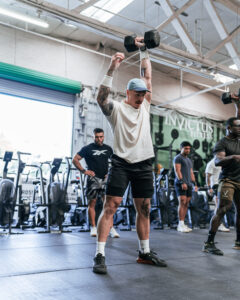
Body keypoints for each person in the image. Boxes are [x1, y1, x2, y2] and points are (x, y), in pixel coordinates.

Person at [92, 38, 167, 274]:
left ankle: (144, 252)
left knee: (144, 209)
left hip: (144, 163)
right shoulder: (116, 108)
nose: (142, 97)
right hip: (121, 163)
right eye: (138, 94)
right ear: (128, 92)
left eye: (145, 94)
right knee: (111, 206)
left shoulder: (145, 105)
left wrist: (144, 49)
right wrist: (113, 67)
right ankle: (100, 255)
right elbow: (101, 98)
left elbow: (148, 74)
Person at [72, 128, 120, 238]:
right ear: (93, 137)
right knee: (92, 203)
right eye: (97, 137)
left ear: (103, 136)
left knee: (109, 205)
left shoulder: (108, 149)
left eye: (101, 137)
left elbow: (114, 162)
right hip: (93, 179)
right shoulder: (87, 149)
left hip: (105, 179)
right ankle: (93, 227)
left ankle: (111, 228)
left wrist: (110, 173)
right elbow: (75, 159)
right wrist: (84, 171)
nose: (99, 139)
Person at [203, 117, 240, 255]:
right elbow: (218, 161)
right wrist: (233, 157)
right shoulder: (222, 143)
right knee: (223, 208)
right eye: (238, 126)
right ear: (229, 128)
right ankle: (208, 243)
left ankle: (238, 241)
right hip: (228, 180)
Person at [173, 141, 198, 233]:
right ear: (181, 148)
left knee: (187, 203)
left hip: (189, 184)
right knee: (182, 202)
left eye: (189, 149)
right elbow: (177, 170)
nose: (188, 150)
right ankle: (180, 224)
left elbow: (191, 172)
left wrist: (195, 183)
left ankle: (183, 223)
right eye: (186, 148)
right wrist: (182, 182)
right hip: (181, 183)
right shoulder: (178, 158)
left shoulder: (189, 160)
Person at [205, 158, 230, 232]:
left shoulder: (223, 162)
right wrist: (209, 188)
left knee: (222, 206)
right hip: (215, 186)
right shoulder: (211, 163)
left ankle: (218, 223)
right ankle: (219, 224)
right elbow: (207, 176)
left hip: (222, 185)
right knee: (218, 206)